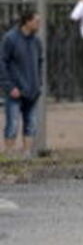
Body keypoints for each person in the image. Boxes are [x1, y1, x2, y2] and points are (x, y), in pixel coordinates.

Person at [1, 11, 43, 156]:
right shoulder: (10, 39)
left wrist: (39, 84)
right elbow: (3, 63)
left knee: (31, 123)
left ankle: (27, 152)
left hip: (32, 89)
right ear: (27, 22)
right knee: (12, 123)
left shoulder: (36, 41)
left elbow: (39, 62)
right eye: (36, 21)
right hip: (15, 89)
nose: (39, 25)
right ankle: (9, 152)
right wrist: (9, 86)